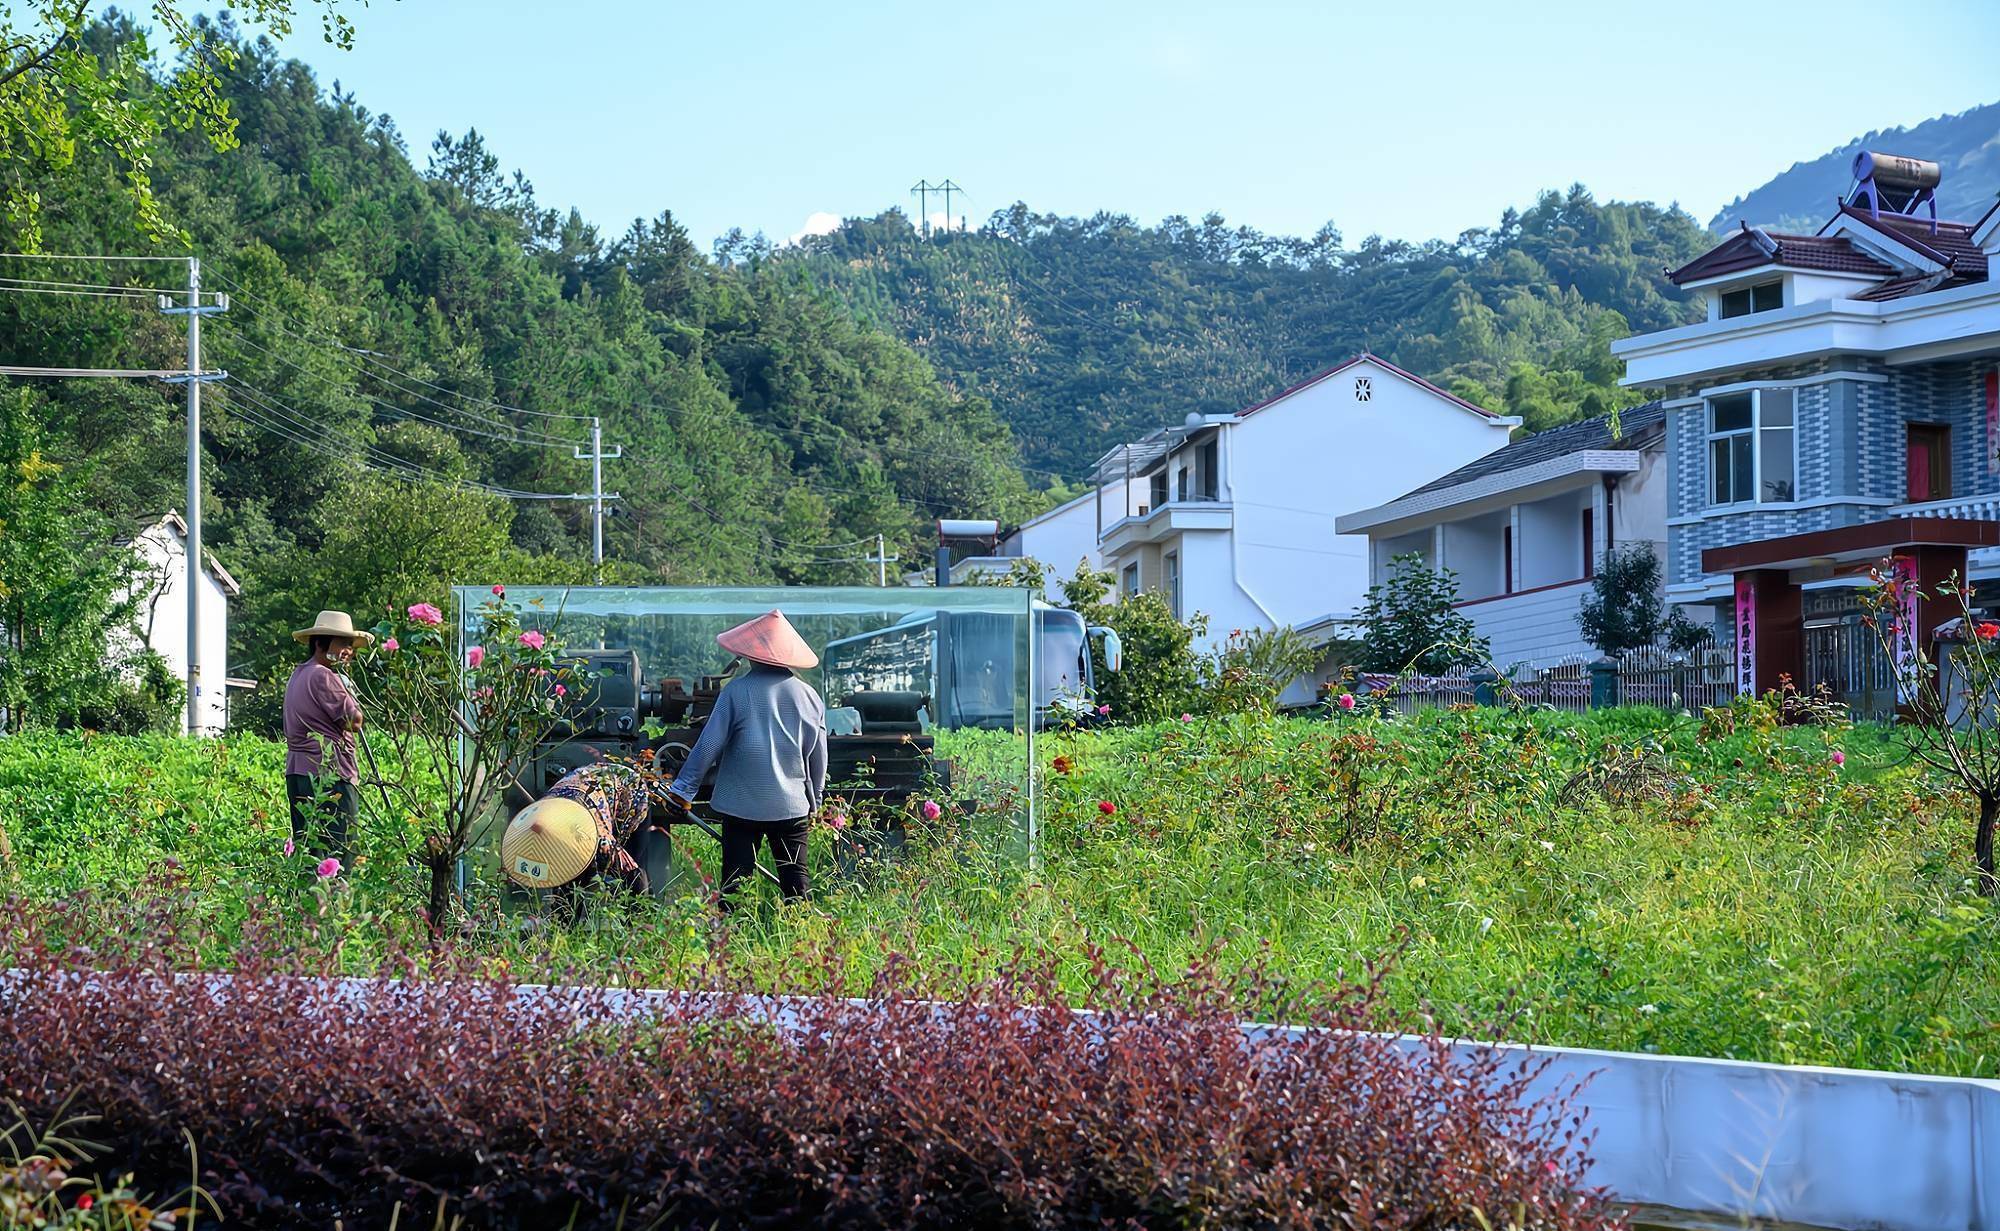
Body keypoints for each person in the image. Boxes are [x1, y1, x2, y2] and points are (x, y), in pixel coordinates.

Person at [667, 609, 828, 907]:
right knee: (796, 886)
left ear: (752, 654)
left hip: (740, 806)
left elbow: (708, 745)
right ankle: (806, 944)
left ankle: (729, 945)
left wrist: (683, 790)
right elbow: (819, 757)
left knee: (734, 887)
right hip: (791, 807)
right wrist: (814, 801)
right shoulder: (809, 696)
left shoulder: (736, 691)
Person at [499, 760, 658, 923]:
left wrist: (641, 919)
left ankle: (642, 924)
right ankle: (565, 927)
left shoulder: (597, 838)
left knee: (632, 866)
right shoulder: (540, 815)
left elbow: (631, 871)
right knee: (568, 882)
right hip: (582, 790)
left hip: (628, 789)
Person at [283, 609, 370, 862]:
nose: (349, 651)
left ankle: (310, 902)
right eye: (343, 643)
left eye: (350, 646)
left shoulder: (300, 673)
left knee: (310, 855)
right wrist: (349, 695)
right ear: (321, 642)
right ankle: (336, 902)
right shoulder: (323, 675)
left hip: (299, 773)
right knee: (339, 854)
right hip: (328, 776)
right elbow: (354, 721)